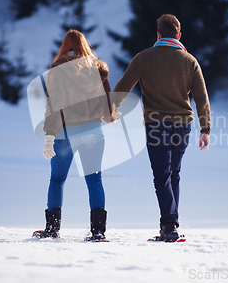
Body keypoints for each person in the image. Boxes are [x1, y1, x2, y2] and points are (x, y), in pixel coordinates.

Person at [113, 14, 211, 242]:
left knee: (162, 174)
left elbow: (123, 86)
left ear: (158, 35)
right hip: (183, 126)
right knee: (172, 173)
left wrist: (112, 109)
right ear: (179, 35)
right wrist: (205, 128)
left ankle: (169, 225)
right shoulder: (190, 61)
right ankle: (170, 224)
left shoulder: (144, 58)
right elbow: (202, 98)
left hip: (156, 124)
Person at [33, 29, 116, 241]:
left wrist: (49, 136)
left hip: (65, 134)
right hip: (93, 132)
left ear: (64, 46)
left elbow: (53, 107)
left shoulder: (57, 70)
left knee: (57, 179)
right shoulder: (98, 70)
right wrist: (111, 115)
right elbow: (108, 108)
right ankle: (98, 232)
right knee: (94, 180)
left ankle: (52, 230)